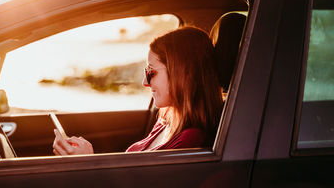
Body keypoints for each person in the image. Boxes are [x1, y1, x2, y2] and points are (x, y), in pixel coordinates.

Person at [53, 26, 223, 155]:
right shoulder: (166, 121)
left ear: (182, 74)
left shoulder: (190, 141)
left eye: (151, 72)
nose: (145, 82)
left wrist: (87, 163)